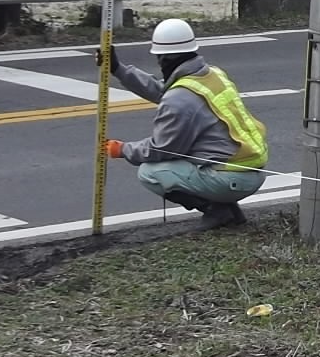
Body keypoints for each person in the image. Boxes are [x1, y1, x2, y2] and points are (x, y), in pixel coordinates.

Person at [101, 18, 269, 227]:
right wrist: (119, 69)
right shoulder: (210, 74)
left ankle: (217, 210)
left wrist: (124, 150)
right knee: (191, 158)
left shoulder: (180, 97)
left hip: (231, 179)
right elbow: (164, 91)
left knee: (150, 173)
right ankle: (228, 208)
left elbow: (162, 148)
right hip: (249, 170)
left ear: (162, 58)